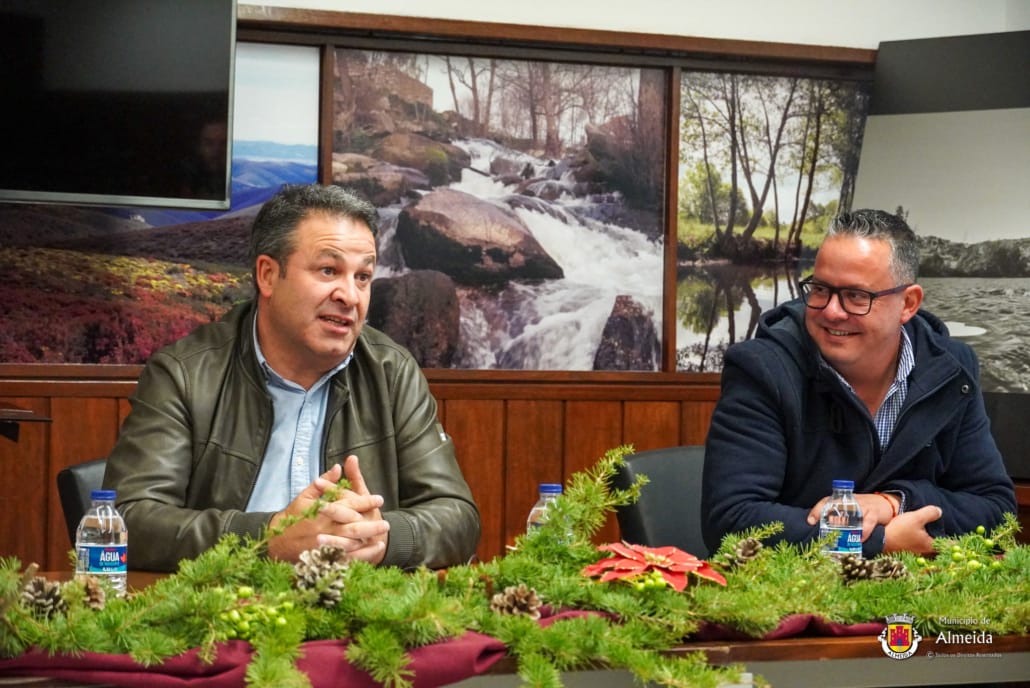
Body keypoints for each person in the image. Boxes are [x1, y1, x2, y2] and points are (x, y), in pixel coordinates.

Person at [104, 183, 481, 572]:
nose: (350, 296)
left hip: (358, 611)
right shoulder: (185, 374)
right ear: (268, 275)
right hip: (222, 612)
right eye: (328, 270)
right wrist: (266, 538)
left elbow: (457, 517)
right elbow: (129, 519)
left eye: (363, 277)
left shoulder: (392, 373)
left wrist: (384, 537)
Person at [701, 209, 1015, 558]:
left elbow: (997, 510)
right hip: (793, 598)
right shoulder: (762, 369)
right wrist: (878, 542)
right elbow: (731, 522)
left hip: (920, 597)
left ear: (908, 303)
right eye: (820, 289)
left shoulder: (952, 371)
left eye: (855, 296)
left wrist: (895, 503)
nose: (832, 311)